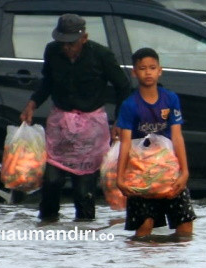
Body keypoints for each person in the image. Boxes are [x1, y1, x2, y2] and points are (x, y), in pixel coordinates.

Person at [20, 14, 132, 222]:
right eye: (62, 43)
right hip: (60, 126)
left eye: (71, 44)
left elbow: (123, 87)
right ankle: (48, 226)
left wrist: (120, 121)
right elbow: (47, 82)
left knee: (83, 190)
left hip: (91, 129)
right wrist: (33, 103)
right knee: (52, 181)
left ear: (84, 38)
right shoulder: (52, 52)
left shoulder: (102, 55)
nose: (66, 48)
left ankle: (85, 238)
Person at [115, 47, 196, 237]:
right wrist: (120, 178)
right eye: (142, 68)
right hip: (140, 171)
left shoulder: (170, 99)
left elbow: (177, 137)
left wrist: (184, 172)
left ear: (160, 71)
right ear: (134, 73)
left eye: (152, 67)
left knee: (185, 226)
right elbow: (125, 143)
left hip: (168, 170)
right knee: (144, 228)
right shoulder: (129, 105)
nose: (148, 72)